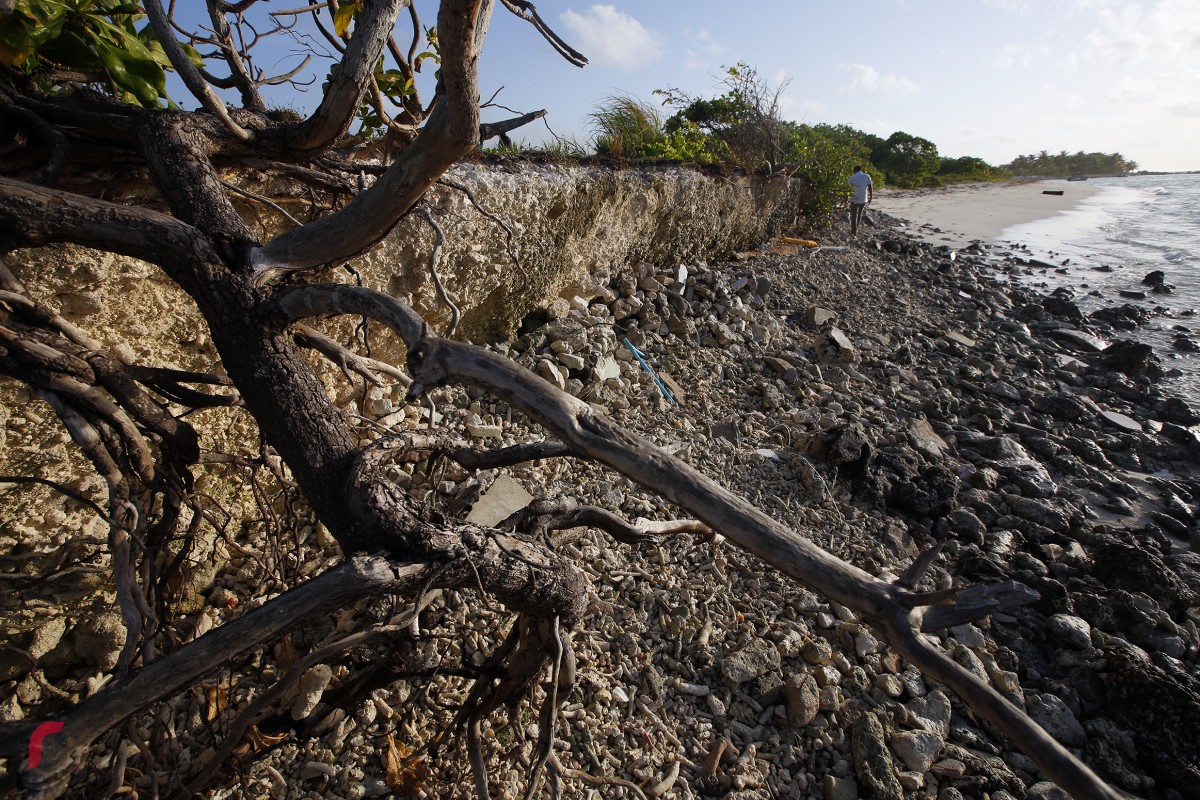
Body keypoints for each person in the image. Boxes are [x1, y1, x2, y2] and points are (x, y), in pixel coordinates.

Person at [848, 165, 873, 235]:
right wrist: (871, 197)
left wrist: (846, 199)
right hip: (863, 198)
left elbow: (847, 189)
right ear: (861, 170)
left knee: (853, 215)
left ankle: (854, 231)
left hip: (854, 198)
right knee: (859, 214)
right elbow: (870, 187)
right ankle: (856, 229)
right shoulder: (867, 176)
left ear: (854, 170)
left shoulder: (851, 178)